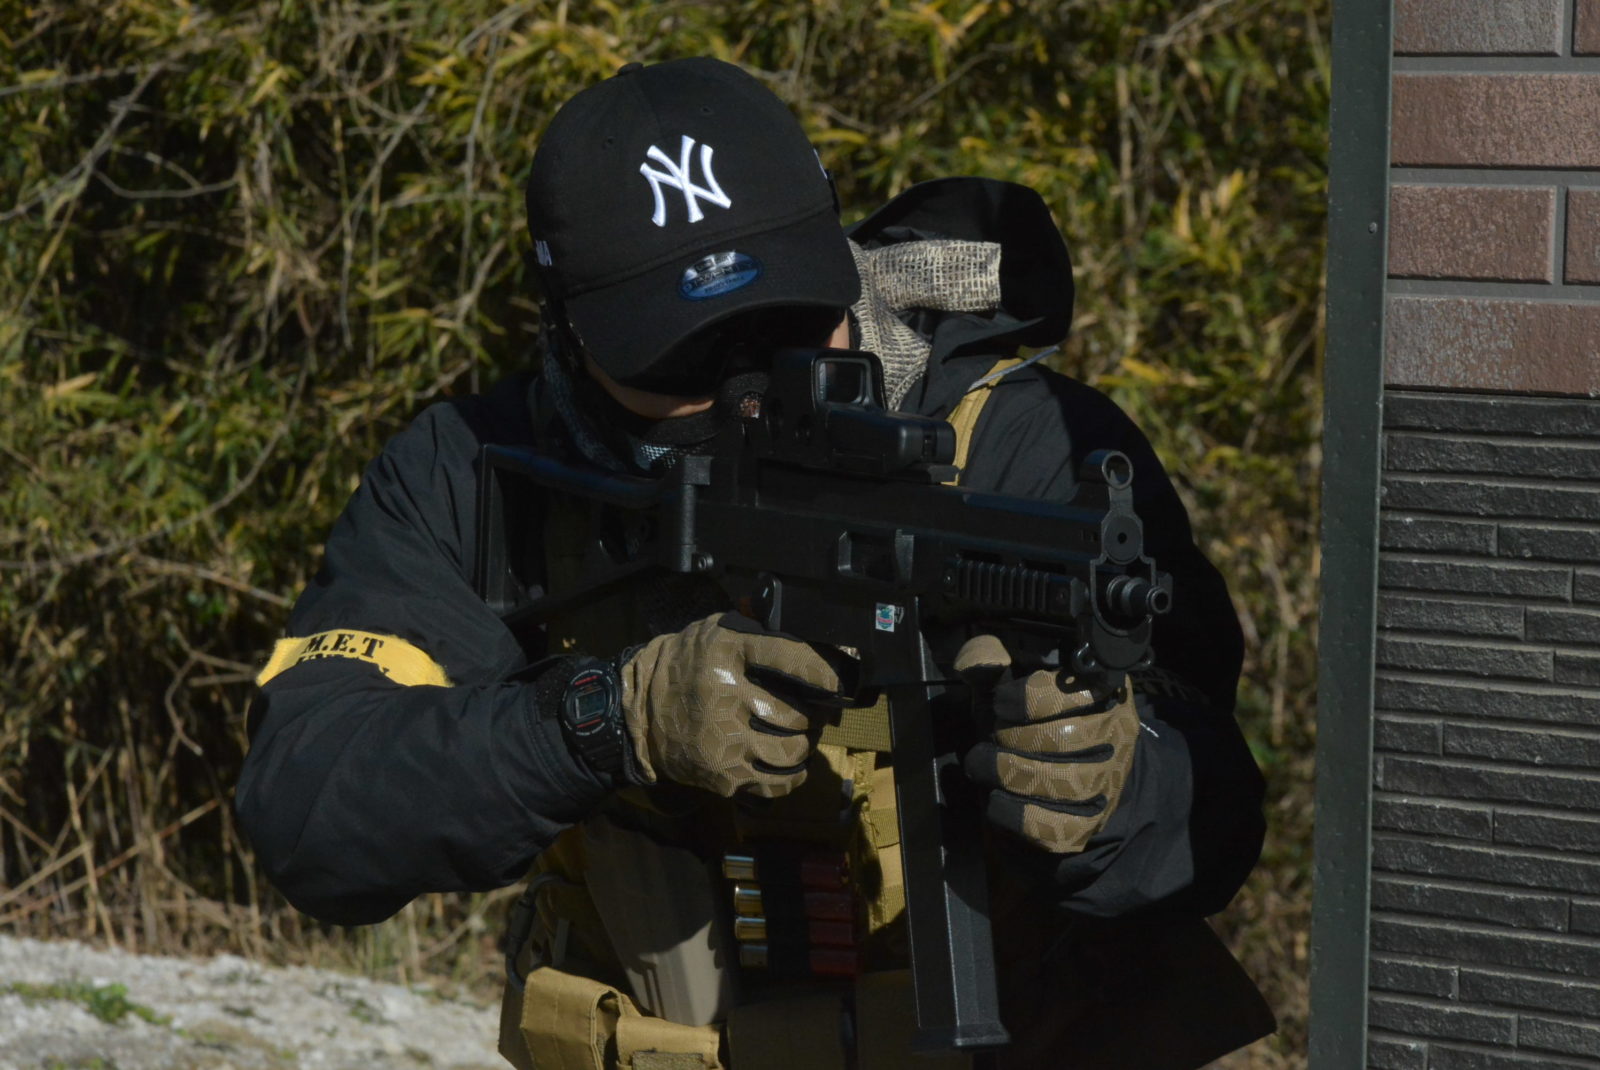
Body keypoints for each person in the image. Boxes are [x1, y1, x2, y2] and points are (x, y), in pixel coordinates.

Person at [237, 57, 1273, 1069]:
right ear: (570, 334)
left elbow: (1218, 818)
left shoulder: (1027, 445)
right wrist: (606, 720)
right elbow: (308, 805)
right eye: (681, 356)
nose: (749, 391)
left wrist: (1116, 786)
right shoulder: (477, 474)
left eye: (790, 326)